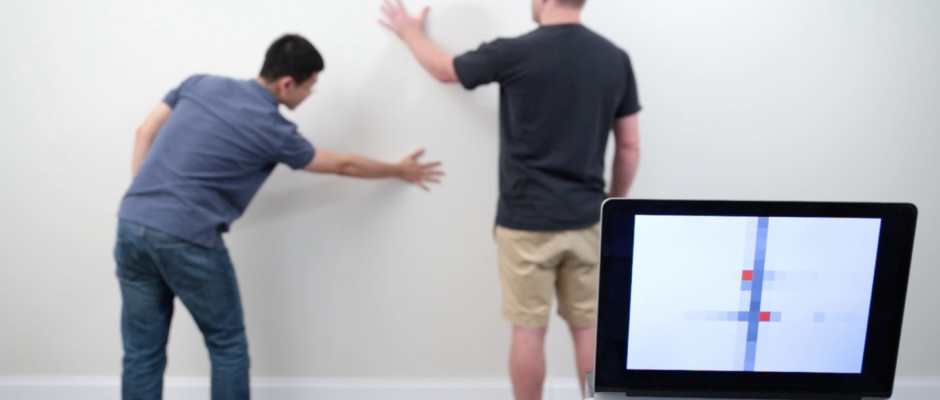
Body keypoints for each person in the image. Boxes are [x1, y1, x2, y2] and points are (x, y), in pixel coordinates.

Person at [115, 33, 443, 399]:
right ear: (287, 83)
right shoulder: (275, 131)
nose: (309, 94)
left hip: (131, 223)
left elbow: (144, 131)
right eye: (309, 87)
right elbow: (344, 165)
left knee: (142, 349)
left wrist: (143, 201)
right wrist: (398, 170)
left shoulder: (200, 84)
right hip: (187, 237)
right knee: (226, 343)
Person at [380, 0, 641, 398]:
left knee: (528, 331)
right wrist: (612, 209)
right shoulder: (614, 58)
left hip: (525, 222)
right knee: (589, 328)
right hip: (589, 221)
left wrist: (408, 30)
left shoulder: (515, 52)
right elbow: (629, 146)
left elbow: (445, 70)